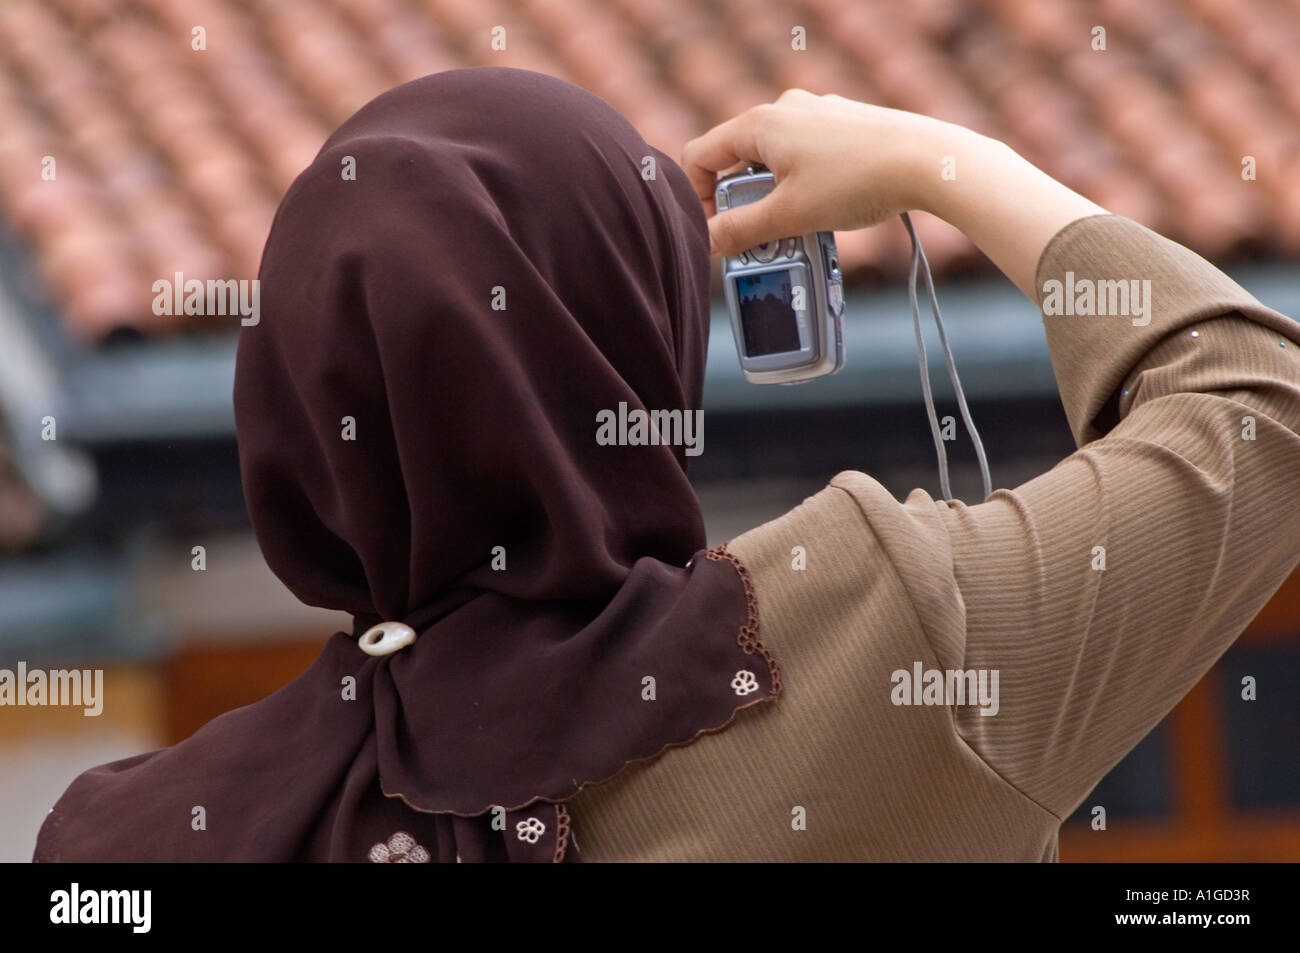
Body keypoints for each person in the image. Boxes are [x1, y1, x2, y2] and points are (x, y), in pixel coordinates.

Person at [34, 68, 1300, 863]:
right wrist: (939, 162)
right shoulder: (882, 634)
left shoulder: (120, 840)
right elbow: (1262, 406)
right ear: (632, 352)